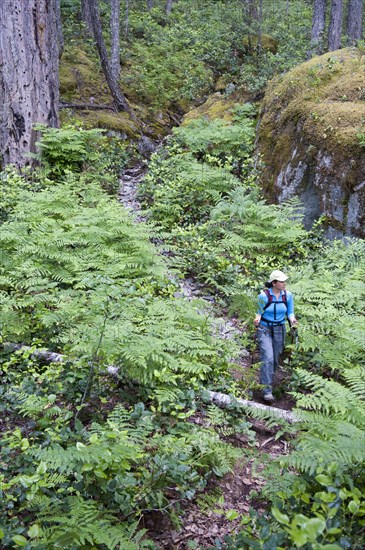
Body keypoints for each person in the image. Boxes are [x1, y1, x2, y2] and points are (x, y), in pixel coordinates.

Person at [253, 270, 297, 402]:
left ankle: (266, 381)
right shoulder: (263, 296)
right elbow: (258, 313)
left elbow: (290, 312)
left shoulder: (287, 296)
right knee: (268, 357)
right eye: (281, 281)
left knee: (275, 358)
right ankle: (267, 390)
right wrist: (256, 320)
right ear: (274, 283)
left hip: (280, 329)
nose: (284, 283)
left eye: (284, 281)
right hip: (264, 328)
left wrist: (293, 320)